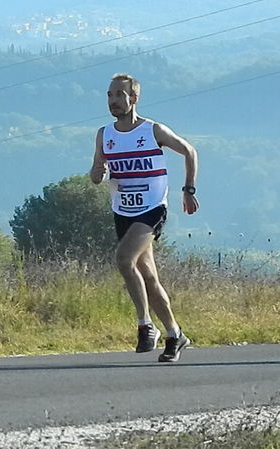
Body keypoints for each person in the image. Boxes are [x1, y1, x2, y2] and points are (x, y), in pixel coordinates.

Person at [90, 73, 199, 362]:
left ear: (133, 98)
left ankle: (145, 325)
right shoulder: (105, 134)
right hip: (122, 211)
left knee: (123, 259)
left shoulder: (153, 131)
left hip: (152, 209)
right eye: (110, 95)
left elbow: (189, 151)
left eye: (119, 95)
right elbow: (95, 173)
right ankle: (175, 334)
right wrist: (97, 174)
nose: (113, 101)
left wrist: (188, 190)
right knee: (149, 277)